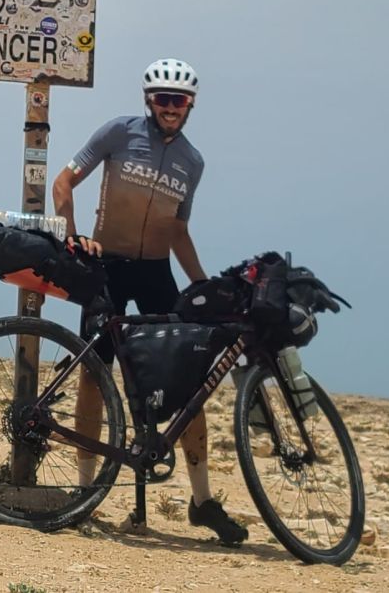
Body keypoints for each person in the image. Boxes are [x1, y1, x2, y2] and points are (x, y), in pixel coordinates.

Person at [52, 58, 248, 546]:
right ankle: (85, 490)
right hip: (108, 265)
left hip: (157, 271)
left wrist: (203, 285)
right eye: (162, 99)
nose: (169, 107)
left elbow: (178, 229)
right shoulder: (119, 132)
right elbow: (63, 182)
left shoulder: (193, 162)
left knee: (190, 386)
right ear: (149, 100)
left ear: (190, 105)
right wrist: (73, 238)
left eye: (177, 100)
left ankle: (202, 501)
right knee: (93, 377)